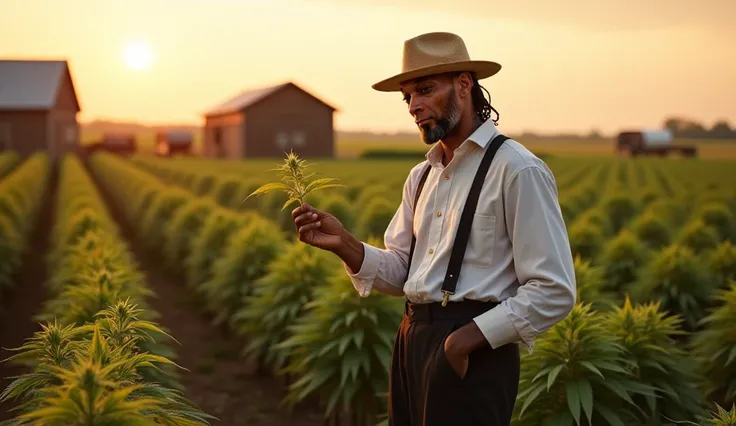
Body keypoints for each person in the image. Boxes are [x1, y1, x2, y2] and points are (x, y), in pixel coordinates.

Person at [292, 31, 576, 426]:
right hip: (412, 341)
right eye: (407, 96)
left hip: (475, 350)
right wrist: (345, 244)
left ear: (464, 84)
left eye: (425, 90)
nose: (414, 106)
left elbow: (554, 290)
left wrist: (462, 342)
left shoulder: (517, 169)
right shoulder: (422, 175)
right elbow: (404, 273)